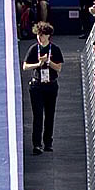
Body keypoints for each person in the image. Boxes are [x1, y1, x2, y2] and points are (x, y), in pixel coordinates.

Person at [21, 22, 63, 154]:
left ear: (48, 35)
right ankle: (37, 144)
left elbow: (59, 68)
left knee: (50, 115)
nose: (40, 37)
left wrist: (48, 62)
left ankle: (48, 142)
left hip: (51, 84)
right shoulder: (34, 49)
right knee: (38, 115)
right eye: (39, 35)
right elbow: (25, 66)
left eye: (43, 35)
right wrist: (38, 64)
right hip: (37, 84)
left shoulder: (54, 49)